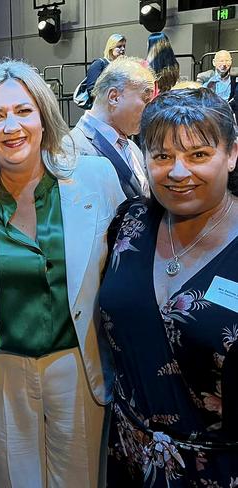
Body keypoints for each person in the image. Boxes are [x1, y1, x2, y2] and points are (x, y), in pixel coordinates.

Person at [0, 59, 126, 487]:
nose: (12, 127)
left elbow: (126, 279)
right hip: (1, 376)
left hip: (81, 370)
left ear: (43, 116)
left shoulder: (96, 179)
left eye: (23, 111)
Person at [102, 88, 238, 487]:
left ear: (231, 154)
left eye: (198, 155)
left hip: (218, 472)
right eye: (162, 156)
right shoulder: (130, 222)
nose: (179, 172)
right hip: (129, 457)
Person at [71, 56, 155, 199]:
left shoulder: (132, 147)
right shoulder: (72, 150)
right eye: (145, 100)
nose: (149, 110)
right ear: (114, 97)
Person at [83, 34, 126, 103]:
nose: (123, 49)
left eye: (124, 46)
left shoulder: (122, 66)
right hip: (103, 105)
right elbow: (92, 89)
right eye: (119, 46)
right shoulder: (99, 63)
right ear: (111, 48)